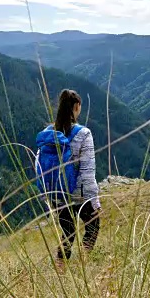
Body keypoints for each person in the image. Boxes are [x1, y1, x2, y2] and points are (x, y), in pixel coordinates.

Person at [37, 89, 101, 264]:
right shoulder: (84, 134)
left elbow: (40, 165)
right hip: (79, 193)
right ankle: (85, 261)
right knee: (93, 226)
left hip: (58, 192)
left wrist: (47, 194)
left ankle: (60, 267)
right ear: (76, 106)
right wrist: (94, 200)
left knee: (67, 232)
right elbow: (88, 171)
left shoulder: (48, 133)